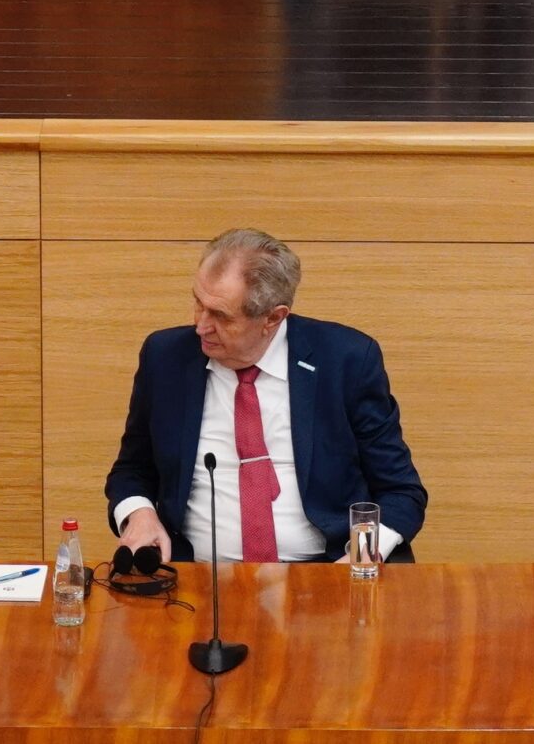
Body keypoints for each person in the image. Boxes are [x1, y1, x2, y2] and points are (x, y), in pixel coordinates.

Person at [108, 228, 427, 563]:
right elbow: (132, 469)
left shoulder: (346, 360)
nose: (200, 325)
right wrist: (140, 513)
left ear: (273, 318)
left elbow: (401, 492)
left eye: (221, 316)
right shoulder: (166, 358)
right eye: (198, 304)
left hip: (327, 573)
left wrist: (357, 559)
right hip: (198, 581)